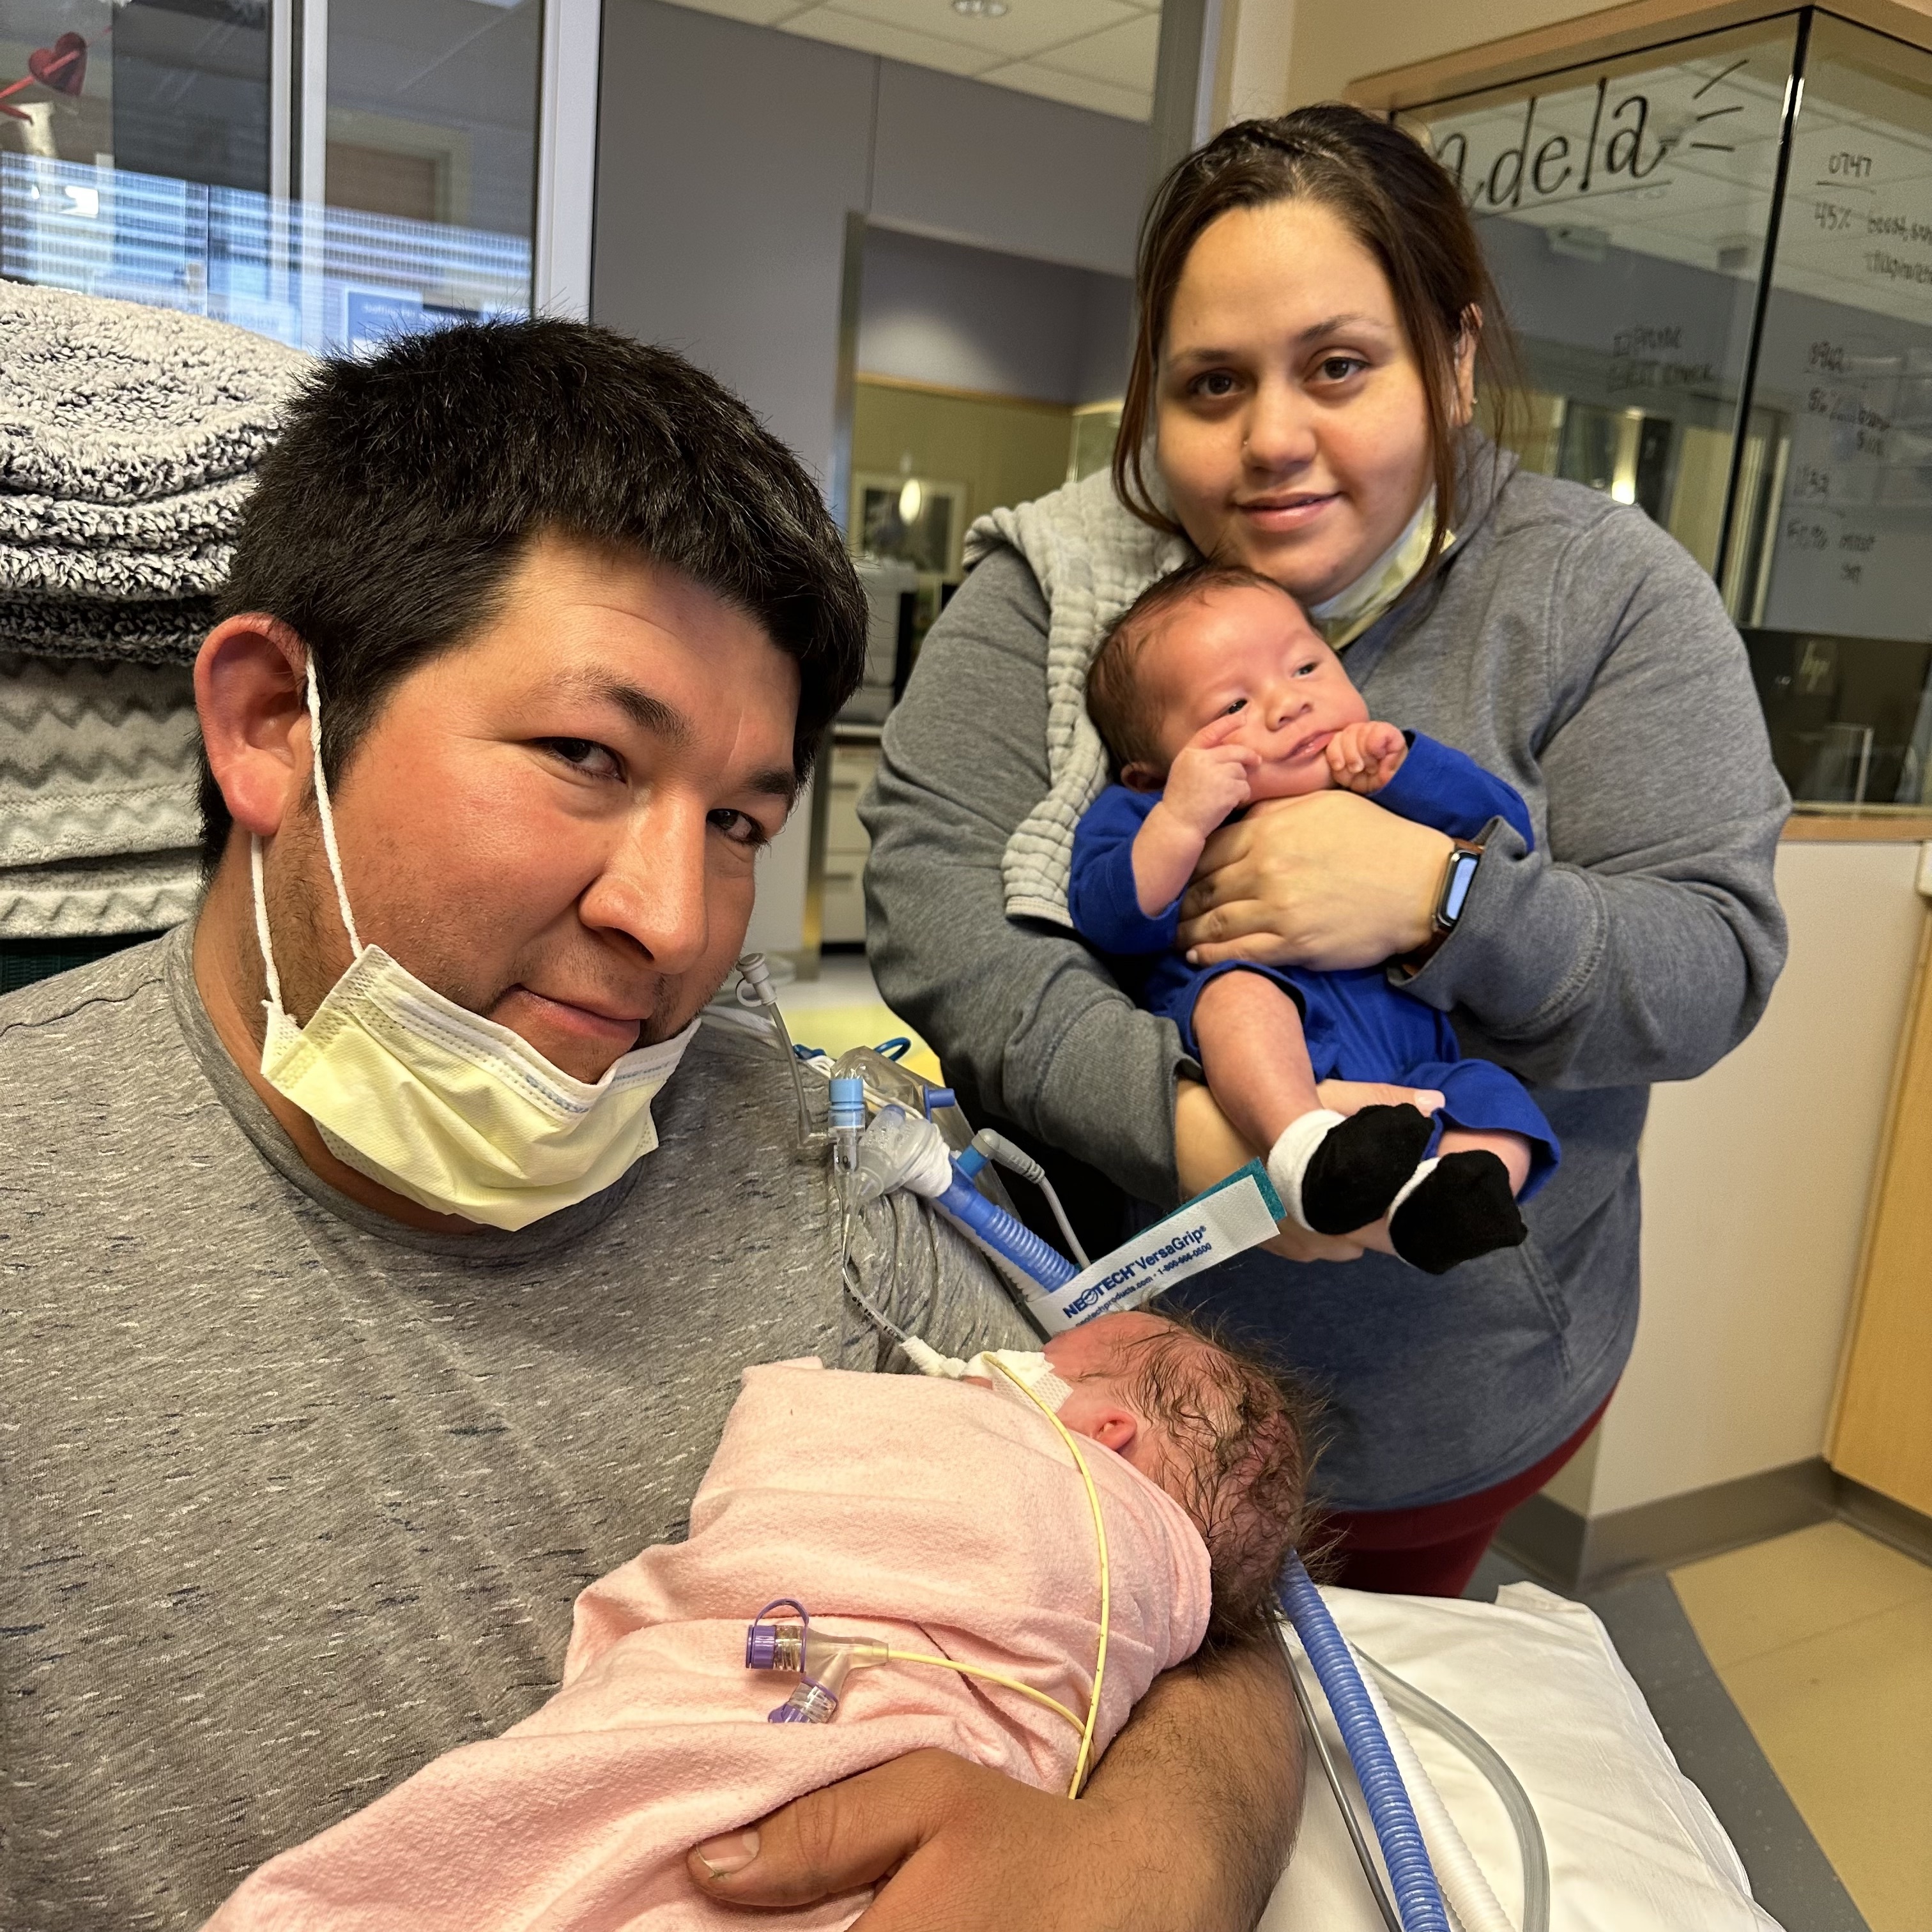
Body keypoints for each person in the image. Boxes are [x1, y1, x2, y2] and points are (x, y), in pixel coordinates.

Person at [0, 321, 1303, 1932]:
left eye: (742, 820)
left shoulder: (815, 1164)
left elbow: (1217, 1580)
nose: (676, 923)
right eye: (587, 758)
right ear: (273, 722)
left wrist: (1150, 1863)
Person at [862, 105, 1790, 1598]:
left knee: (1373, 1774)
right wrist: (1191, 1133)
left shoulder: (1601, 597)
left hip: (1454, 1402)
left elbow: (1710, 967)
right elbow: (934, 917)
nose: (1273, 438)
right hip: (1112, 1361)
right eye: (1212, 384)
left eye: (1339, 366)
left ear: (1458, 359)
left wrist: (1438, 901)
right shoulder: (1061, 584)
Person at [203, 1310, 1314, 1929]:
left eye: (1040, 1366)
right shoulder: (1166, 1570)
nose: (1002, 1369)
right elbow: (1217, 1590)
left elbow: (1238, 1623)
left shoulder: (864, 1198)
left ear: (1105, 1429)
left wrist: (1143, 1864)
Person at [1071, 561, 1558, 1276]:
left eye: (1306, 667)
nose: (1286, 705)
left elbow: (1508, 830)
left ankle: (1430, 1207)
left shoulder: (1380, 777)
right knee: (1239, 996)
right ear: (1150, 769)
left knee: (1498, 1107)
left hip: (1418, 1069)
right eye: (1230, 707)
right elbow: (1108, 916)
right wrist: (1179, 820)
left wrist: (1408, 770)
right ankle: (1302, 1149)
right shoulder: (1151, 809)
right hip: (1274, 1071)